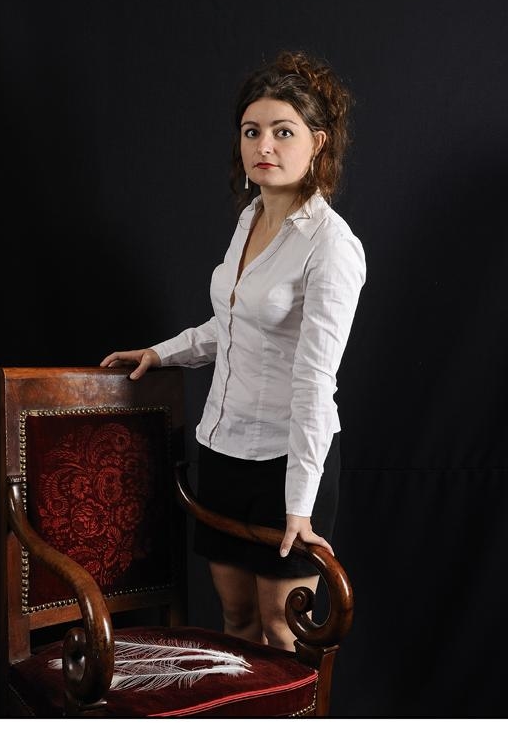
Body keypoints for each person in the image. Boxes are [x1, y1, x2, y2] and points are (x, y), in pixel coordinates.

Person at [100, 50, 366, 652]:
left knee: (281, 630)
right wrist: (162, 353)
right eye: (252, 131)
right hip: (221, 450)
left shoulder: (332, 246)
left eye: (283, 131)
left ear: (318, 143)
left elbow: (315, 380)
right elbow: (233, 325)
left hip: (286, 463)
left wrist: (299, 505)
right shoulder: (250, 218)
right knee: (236, 618)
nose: (263, 145)